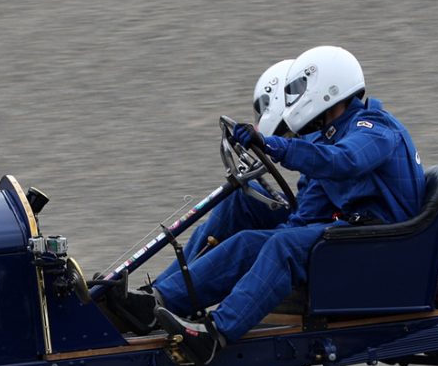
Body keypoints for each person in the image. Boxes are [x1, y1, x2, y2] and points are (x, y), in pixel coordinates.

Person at [137, 45, 426, 363]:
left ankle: (214, 335)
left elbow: (345, 161)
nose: (295, 101)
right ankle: (155, 303)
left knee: (284, 245)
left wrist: (275, 145)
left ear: (328, 86)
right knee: (251, 242)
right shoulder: (334, 135)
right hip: (358, 237)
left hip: (385, 244)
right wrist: (274, 235)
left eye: (301, 89)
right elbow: (309, 211)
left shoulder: (375, 127)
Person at [112, 59, 301, 331]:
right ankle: (155, 295)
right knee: (242, 198)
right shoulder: (318, 132)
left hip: (328, 236)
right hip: (318, 221)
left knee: (250, 244)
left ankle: (163, 301)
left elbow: (322, 200)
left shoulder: (343, 138)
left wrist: (277, 147)